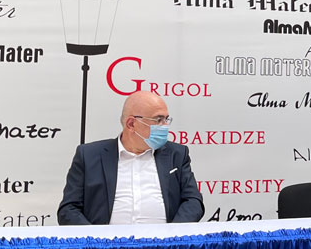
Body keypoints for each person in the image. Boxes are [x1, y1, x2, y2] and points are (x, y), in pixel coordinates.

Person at [57, 91, 204, 225]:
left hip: (163, 244)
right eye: (158, 120)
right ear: (131, 124)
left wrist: (173, 235)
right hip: (106, 244)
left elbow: (193, 201)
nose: (165, 126)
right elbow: (68, 209)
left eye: (166, 119)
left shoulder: (176, 154)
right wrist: (95, 240)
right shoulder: (89, 155)